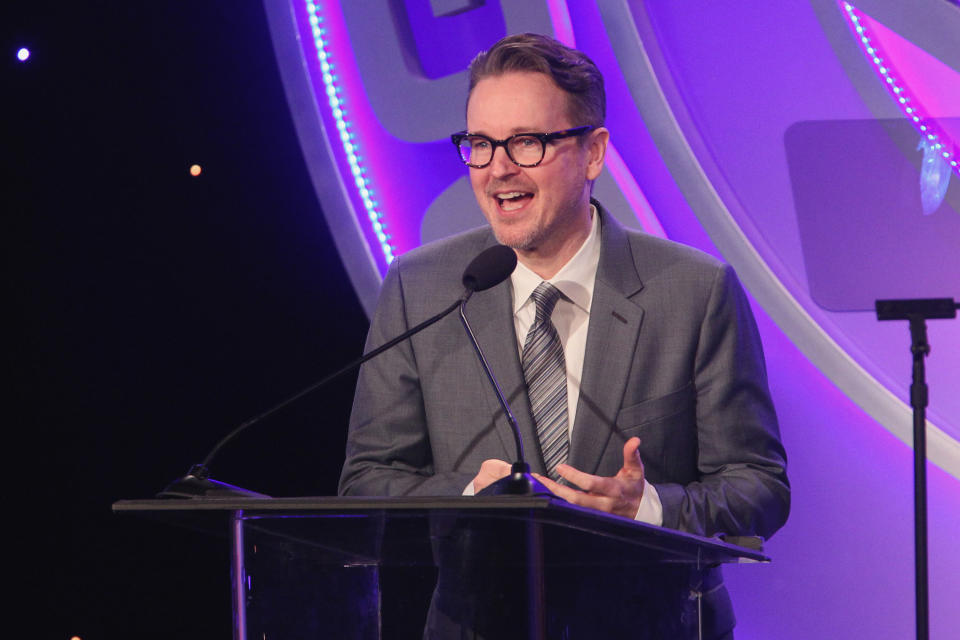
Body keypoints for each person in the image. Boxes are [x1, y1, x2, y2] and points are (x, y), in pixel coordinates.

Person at [339, 33, 789, 639]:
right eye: (479, 144)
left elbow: (758, 484)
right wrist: (475, 496)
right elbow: (369, 481)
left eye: (526, 142)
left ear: (594, 152)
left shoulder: (693, 291)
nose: (498, 168)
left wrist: (647, 508)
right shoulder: (422, 288)